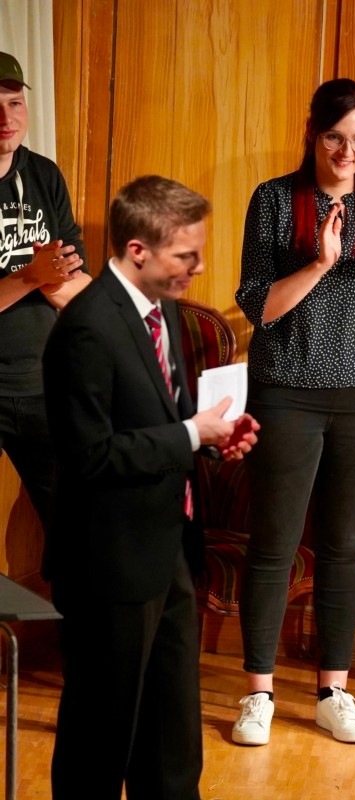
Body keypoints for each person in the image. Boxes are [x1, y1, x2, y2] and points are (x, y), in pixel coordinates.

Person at [44, 175, 259, 799]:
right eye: (185, 255)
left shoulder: (158, 305)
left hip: (168, 548)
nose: (198, 268)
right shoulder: (87, 328)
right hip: (108, 563)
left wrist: (214, 437)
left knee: (171, 738)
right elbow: (90, 456)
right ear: (138, 250)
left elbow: (163, 415)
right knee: (99, 740)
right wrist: (192, 433)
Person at [233, 78, 355, 746]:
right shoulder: (273, 199)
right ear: (313, 134)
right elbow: (259, 307)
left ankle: (332, 691)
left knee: (344, 545)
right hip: (285, 391)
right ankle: (258, 692)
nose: (347, 152)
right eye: (335, 138)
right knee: (275, 543)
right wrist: (321, 263)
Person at [0, 51, 92, 564]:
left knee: (75, 524)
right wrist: (33, 276)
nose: (6, 118)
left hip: (42, 381)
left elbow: (72, 280)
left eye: (15, 103)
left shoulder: (44, 175)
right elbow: (47, 275)